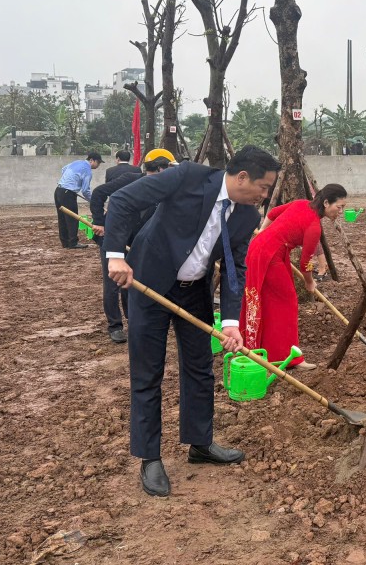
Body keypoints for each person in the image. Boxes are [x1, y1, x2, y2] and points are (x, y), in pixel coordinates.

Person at [105, 145, 278, 498]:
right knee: (148, 373)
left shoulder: (246, 215)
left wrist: (230, 321)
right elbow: (123, 201)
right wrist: (114, 256)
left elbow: (235, 266)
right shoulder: (187, 178)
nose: (265, 195)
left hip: (193, 291)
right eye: (263, 187)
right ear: (242, 177)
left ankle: (200, 444)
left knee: (201, 368)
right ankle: (150, 457)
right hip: (148, 286)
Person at [240, 183, 348, 370]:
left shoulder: (301, 203)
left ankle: (266, 351)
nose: (340, 212)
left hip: (262, 249)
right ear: (326, 203)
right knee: (289, 301)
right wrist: (310, 282)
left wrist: (263, 233)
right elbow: (305, 262)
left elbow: (272, 214)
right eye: (339, 207)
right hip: (270, 255)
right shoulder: (314, 227)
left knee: (268, 299)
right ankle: (291, 358)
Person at [90, 149, 175, 343]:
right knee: (112, 283)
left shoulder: (166, 191)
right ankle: (115, 326)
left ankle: (133, 320)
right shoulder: (130, 179)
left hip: (136, 242)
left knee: (132, 281)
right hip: (113, 240)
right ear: (161, 169)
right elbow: (98, 193)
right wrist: (99, 221)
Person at [54, 152, 103, 249]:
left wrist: (69, 181)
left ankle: (65, 242)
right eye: (98, 162)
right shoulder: (87, 170)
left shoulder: (76, 162)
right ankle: (72, 243)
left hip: (59, 190)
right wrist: (93, 201)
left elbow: (63, 169)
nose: (98, 165)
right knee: (72, 219)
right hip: (68, 194)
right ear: (91, 160)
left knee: (62, 218)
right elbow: (85, 191)